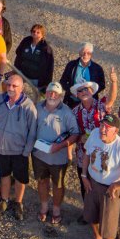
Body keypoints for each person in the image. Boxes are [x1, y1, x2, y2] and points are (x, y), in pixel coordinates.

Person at [0, 73, 37, 220]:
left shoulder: (28, 106)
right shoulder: (0, 100)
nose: (11, 88)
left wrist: (26, 151)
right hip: (1, 148)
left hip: (20, 151)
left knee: (20, 178)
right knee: (4, 175)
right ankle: (4, 200)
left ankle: (18, 203)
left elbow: (33, 131)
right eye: (9, 85)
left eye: (15, 86)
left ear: (22, 88)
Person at [32, 82, 80, 225]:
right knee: (42, 181)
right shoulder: (37, 107)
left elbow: (75, 134)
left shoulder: (67, 112)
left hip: (59, 158)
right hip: (39, 155)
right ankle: (44, 206)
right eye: (50, 92)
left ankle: (57, 209)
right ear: (46, 93)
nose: (52, 95)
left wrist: (60, 146)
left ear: (61, 96)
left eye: (56, 93)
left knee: (58, 184)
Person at [71, 71, 119, 209]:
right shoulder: (74, 112)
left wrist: (114, 82)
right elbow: (74, 134)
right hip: (83, 153)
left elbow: (111, 99)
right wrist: (81, 139)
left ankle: (103, 212)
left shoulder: (101, 106)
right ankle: (88, 211)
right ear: (77, 95)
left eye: (86, 89)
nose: (84, 92)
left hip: (103, 153)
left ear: (91, 90)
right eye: (80, 90)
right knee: (84, 183)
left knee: (102, 182)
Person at [60, 43, 107, 109]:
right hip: (72, 101)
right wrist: (71, 91)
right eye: (83, 52)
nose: (85, 54)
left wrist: (92, 91)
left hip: (90, 103)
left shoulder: (97, 68)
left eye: (88, 52)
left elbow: (102, 84)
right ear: (79, 52)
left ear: (91, 54)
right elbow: (63, 81)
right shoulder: (71, 65)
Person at [14, 24, 54, 99]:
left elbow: (50, 67)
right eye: (33, 31)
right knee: (7, 84)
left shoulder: (47, 49)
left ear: (42, 35)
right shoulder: (25, 42)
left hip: (36, 78)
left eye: (38, 32)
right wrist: (15, 71)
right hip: (22, 73)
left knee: (40, 99)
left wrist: (47, 83)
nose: (35, 33)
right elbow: (18, 55)